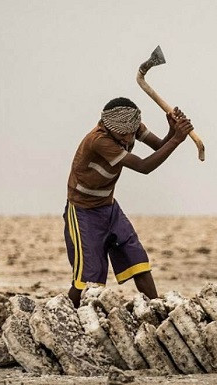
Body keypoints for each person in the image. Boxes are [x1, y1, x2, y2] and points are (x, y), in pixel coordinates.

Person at [63, 97, 194, 308]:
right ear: (108, 126)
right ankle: (64, 313)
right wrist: (177, 139)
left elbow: (159, 146)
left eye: (132, 132)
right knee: (89, 277)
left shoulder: (131, 127)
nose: (129, 137)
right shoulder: (99, 141)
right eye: (123, 133)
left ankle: (156, 307)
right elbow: (144, 166)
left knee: (137, 258)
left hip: (109, 207)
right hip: (83, 213)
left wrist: (172, 131)